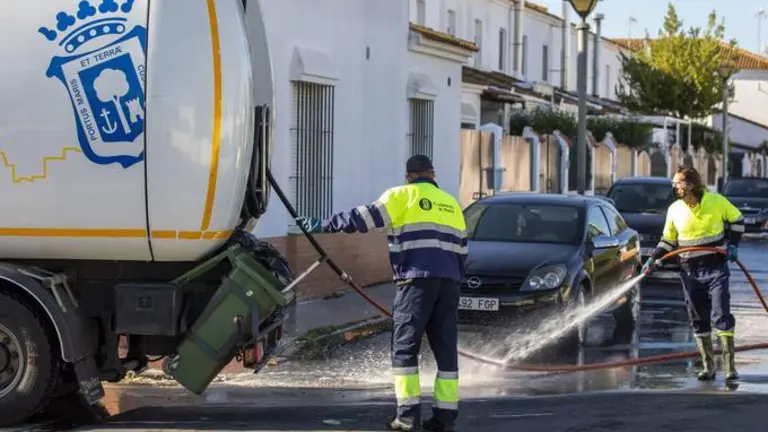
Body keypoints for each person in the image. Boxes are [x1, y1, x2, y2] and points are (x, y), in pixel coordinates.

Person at [296, 155, 467, 431]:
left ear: (408, 177)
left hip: (415, 282)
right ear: (433, 174)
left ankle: (407, 417)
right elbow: (462, 251)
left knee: (405, 349)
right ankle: (445, 418)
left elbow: (363, 218)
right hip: (449, 284)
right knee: (446, 351)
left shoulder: (402, 195)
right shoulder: (452, 205)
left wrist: (323, 225)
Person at [642, 166, 744, 381]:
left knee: (721, 315)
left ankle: (729, 367)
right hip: (689, 272)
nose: (674, 187)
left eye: (677, 183)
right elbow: (668, 240)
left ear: (690, 185)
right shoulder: (675, 210)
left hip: (716, 269)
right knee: (698, 317)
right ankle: (708, 367)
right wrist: (653, 258)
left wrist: (733, 245)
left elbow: (737, 220)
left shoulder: (716, 201)